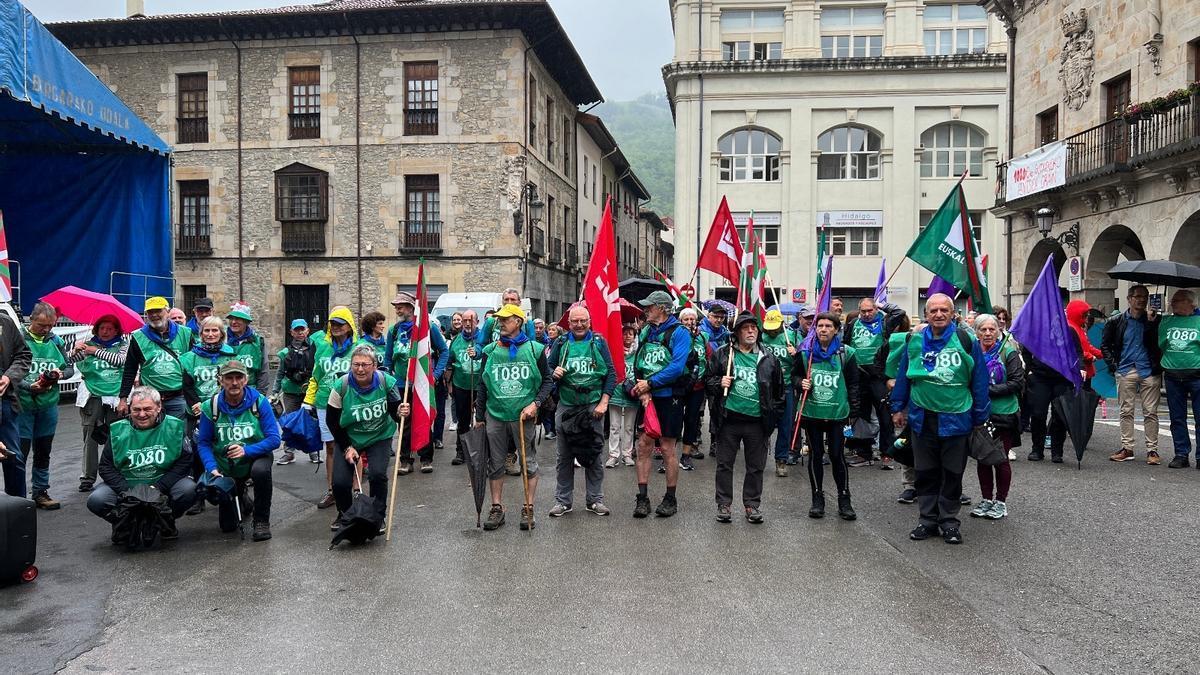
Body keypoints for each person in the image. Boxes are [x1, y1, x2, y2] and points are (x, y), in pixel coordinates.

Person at [890, 293, 990, 545]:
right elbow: (903, 376)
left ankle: (948, 521)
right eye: (933, 310)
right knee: (925, 472)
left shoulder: (967, 340)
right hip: (922, 418)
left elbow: (979, 380)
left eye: (943, 310)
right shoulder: (913, 341)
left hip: (957, 418)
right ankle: (927, 520)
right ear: (926, 314)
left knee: (953, 473)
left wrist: (980, 416)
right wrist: (897, 407)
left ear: (952, 313)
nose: (938, 314)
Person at [474, 304, 553, 531]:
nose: (500, 323)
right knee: (495, 463)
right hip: (495, 415)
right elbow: (482, 384)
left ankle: (528, 506)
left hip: (523, 416)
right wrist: (480, 416)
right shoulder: (489, 351)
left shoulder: (535, 349)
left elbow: (548, 381)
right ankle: (497, 507)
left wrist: (535, 404)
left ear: (518, 322)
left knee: (527, 462)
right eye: (499, 319)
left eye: (505, 319)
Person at [86, 386, 197, 536]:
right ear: (130, 409)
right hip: (127, 484)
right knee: (97, 499)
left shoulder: (174, 426)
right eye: (136, 409)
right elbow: (106, 467)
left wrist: (158, 487)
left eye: (147, 409)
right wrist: (127, 491)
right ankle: (124, 522)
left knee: (189, 490)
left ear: (159, 407)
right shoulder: (117, 430)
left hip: (161, 483)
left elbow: (185, 462)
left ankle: (165, 520)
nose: (142, 414)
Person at [707, 312, 784, 523]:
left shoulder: (769, 358)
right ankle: (724, 504)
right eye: (745, 328)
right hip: (729, 420)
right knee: (724, 465)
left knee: (755, 467)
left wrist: (772, 419)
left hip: (757, 423)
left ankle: (751, 505)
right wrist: (718, 383)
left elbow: (779, 393)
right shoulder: (723, 354)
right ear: (737, 332)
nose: (750, 331)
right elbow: (708, 380)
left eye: (753, 328)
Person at [196, 360, 280, 541]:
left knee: (261, 471)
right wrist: (211, 468)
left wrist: (246, 451)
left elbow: (274, 439)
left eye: (239, 377)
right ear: (220, 380)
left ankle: (261, 520)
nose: (234, 382)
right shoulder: (211, 406)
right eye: (229, 378)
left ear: (246, 379)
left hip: (255, 456)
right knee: (227, 527)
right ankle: (242, 496)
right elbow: (203, 442)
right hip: (225, 463)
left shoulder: (259, 402)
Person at [327, 344, 407, 532]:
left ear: (374, 366)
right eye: (356, 364)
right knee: (340, 482)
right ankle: (346, 515)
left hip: (379, 435)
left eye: (365, 364)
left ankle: (378, 516)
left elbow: (396, 413)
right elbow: (332, 421)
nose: (360, 369)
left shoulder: (386, 382)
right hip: (349, 436)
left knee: (378, 474)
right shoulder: (341, 386)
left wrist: (402, 412)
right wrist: (347, 447)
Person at [546, 306, 615, 517]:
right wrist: (553, 371)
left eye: (583, 320)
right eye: (575, 321)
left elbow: (611, 373)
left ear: (589, 321)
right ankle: (563, 501)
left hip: (592, 406)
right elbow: (546, 369)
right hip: (567, 405)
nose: (579, 325)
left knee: (593, 453)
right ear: (568, 323)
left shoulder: (599, 342)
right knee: (564, 455)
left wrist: (604, 402)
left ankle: (595, 499)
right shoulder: (561, 343)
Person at [631, 291, 693, 519]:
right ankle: (642, 497)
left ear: (663, 308)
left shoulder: (680, 333)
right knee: (644, 445)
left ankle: (670, 498)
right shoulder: (647, 331)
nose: (646, 310)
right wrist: (640, 388)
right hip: (647, 397)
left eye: (650, 306)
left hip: (670, 397)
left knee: (667, 447)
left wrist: (650, 384)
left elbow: (677, 367)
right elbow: (638, 361)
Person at [795, 311, 860, 520]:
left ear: (836, 330)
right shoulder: (805, 352)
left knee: (836, 455)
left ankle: (844, 498)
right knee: (815, 454)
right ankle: (817, 498)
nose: (823, 329)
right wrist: (799, 383)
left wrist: (854, 413)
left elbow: (853, 384)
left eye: (828, 326)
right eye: (820, 326)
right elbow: (793, 376)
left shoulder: (846, 353)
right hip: (812, 412)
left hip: (837, 413)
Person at [383, 291, 449, 473]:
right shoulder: (393, 330)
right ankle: (406, 459)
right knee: (404, 421)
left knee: (423, 419)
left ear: (412, 308)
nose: (397, 309)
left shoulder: (427, 329)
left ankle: (426, 457)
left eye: (401, 306)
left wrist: (435, 375)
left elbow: (443, 351)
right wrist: (389, 380)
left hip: (421, 383)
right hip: (400, 384)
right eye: (396, 306)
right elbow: (388, 358)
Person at [16, 302, 74, 509]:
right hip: (22, 405)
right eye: (42, 325)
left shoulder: (56, 340)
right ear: (31, 320)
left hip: (48, 405)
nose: (46, 329)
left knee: (43, 450)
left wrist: (58, 375)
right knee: (19, 453)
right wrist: (27, 386)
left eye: (50, 325)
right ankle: (18, 496)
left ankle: (40, 492)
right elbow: (6, 370)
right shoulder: (18, 338)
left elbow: (69, 368)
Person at [1101, 285, 1163, 464]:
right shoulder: (1115, 321)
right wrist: (1114, 365)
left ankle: (1152, 451)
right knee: (1125, 411)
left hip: (1149, 370)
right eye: (1137, 296)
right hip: (1126, 369)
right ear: (1129, 299)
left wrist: (1151, 324)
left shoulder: (1154, 320)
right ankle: (1127, 448)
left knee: (1150, 412)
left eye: (1144, 296)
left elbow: (1158, 344)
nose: (1141, 300)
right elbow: (1105, 346)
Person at [304, 307, 358, 510]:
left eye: (339, 324)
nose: (335, 327)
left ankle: (356, 489)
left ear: (349, 326)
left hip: (351, 404)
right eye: (332, 324)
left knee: (354, 445)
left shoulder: (358, 348)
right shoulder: (323, 348)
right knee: (331, 447)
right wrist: (308, 401)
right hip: (325, 402)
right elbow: (315, 377)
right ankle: (332, 490)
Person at [970, 314, 1022, 520]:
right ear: (977, 332)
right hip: (980, 413)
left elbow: (1017, 382)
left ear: (998, 331)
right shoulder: (972, 353)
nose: (988, 333)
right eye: (983, 329)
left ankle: (1001, 501)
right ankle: (985, 499)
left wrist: (986, 390)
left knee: (1000, 459)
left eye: (992, 329)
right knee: (982, 458)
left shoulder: (1008, 352)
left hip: (1004, 413)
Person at [68, 315, 128, 492]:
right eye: (102, 328)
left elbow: (120, 361)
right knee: (90, 437)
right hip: (92, 395)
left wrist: (94, 351)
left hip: (116, 397)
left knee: (116, 436)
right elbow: (68, 362)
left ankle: (116, 473)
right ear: (96, 329)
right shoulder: (87, 343)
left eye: (110, 328)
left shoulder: (123, 345)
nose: (105, 331)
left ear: (117, 330)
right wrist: (74, 350)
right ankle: (87, 477)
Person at [119, 296, 195, 420]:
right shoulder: (138, 337)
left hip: (179, 397)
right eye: (150, 312)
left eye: (158, 311)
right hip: (149, 400)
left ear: (168, 312)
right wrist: (123, 398)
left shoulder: (186, 333)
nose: (154, 315)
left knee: (177, 435)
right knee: (151, 437)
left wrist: (194, 398)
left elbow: (194, 366)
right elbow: (130, 369)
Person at [843, 298, 893, 469]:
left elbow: (899, 313)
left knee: (885, 415)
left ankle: (887, 453)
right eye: (863, 311)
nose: (866, 314)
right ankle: (865, 453)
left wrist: (883, 305)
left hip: (878, 375)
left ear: (876, 310)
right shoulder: (852, 324)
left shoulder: (884, 322)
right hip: (859, 375)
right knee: (862, 415)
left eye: (870, 310)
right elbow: (846, 345)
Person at [874, 310, 918, 502]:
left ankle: (946, 487)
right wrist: (888, 380)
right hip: (909, 403)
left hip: (936, 404)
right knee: (906, 442)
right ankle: (909, 485)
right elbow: (879, 366)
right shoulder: (895, 344)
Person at [1159, 289, 1200, 469]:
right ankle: (1181, 454)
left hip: (1196, 375)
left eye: (1177, 300)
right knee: (1177, 417)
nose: (1172, 303)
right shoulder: (1166, 321)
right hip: (1173, 375)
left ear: (1191, 303)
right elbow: (1161, 344)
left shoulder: (1198, 321)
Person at [759, 309, 797, 476]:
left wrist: (796, 354)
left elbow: (802, 362)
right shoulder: (761, 337)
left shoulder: (791, 336)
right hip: (766, 386)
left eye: (775, 327)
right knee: (762, 422)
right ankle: (758, 456)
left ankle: (781, 459)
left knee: (785, 424)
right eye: (769, 327)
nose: (772, 330)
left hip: (786, 385)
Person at [180, 316, 236, 429]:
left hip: (224, 408)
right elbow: (186, 386)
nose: (210, 334)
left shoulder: (230, 354)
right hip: (197, 409)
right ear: (201, 334)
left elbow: (233, 382)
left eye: (215, 330)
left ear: (221, 333)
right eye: (207, 330)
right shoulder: (189, 358)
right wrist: (197, 404)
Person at [274, 319, 316, 465]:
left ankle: (313, 451)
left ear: (307, 330)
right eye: (296, 330)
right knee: (290, 422)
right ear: (291, 332)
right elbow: (280, 373)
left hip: (309, 391)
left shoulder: (315, 349)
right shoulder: (285, 353)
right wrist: (274, 392)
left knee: (310, 421)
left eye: (302, 329)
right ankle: (289, 452)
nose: (300, 333)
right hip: (290, 392)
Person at [0, 309, 30, 498]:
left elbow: (24, 355)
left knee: (13, 458)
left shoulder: (5, 322)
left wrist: (9, 377)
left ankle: (18, 513)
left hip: (5, 404)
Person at [446, 309, 482, 465]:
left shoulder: (483, 338)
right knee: (463, 420)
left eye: (471, 320)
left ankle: (482, 451)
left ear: (477, 322)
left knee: (482, 420)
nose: (467, 323)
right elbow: (450, 362)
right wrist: (448, 383)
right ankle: (461, 451)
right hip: (461, 385)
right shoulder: (456, 341)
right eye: (465, 320)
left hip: (481, 386)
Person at [678, 307, 711, 467]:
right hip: (679, 385)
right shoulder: (676, 336)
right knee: (675, 420)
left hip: (698, 387)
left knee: (692, 420)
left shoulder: (703, 337)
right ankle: (667, 455)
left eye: (692, 319)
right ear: (680, 322)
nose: (690, 322)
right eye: (686, 319)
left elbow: (709, 357)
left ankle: (686, 454)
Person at [605, 324, 639, 468]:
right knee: (614, 426)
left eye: (630, 333)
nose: (627, 336)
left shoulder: (638, 352)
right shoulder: (614, 351)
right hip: (616, 393)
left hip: (632, 393)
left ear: (634, 336)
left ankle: (627, 454)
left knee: (629, 427)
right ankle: (613, 455)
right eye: (624, 333)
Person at [224, 304, 267, 392]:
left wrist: (261, 393)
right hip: (227, 392)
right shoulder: (222, 340)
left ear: (247, 322)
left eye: (238, 319)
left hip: (250, 392)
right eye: (231, 318)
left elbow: (264, 370)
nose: (233, 322)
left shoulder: (257, 342)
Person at [1066, 300, 1104, 385]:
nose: (1087, 317)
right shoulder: (1070, 328)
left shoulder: (1078, 327)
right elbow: (1074, 351)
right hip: (1079, 370)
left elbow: (1087, 346)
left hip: (1085, 370)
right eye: (1085, 315)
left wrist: (1102, 354)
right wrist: (1090, 357)